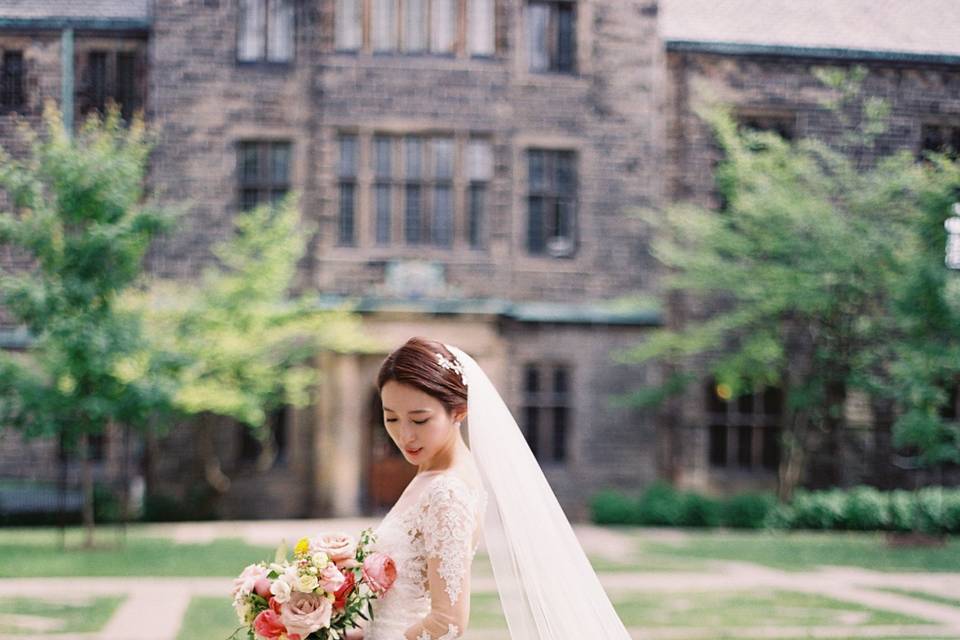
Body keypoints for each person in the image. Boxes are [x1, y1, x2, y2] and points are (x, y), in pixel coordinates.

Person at [348, 336, 632, 640]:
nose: (404, 435)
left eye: (420, 420)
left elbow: (448, 621)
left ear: (458, 411)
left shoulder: (448, 491)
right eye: (391, 418)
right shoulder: (429, 475)